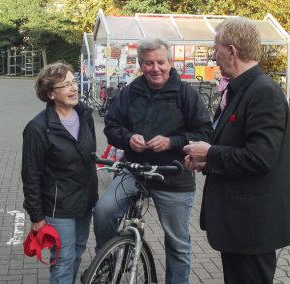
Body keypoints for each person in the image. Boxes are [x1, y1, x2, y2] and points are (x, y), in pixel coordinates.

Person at [93, 37, 213, 284]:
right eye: (148, 63)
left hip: (173, 174)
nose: (155, 68)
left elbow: (205, 133)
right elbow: (111, 126)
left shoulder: (185, 94)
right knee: (103, 211)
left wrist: (172, 142)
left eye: (160, 62)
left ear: (169, 62)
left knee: (177, 243)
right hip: (134, 170)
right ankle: (107, 262)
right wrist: (128, 138)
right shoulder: (130, 92)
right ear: (141, 64)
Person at [183, 17, 290, 284]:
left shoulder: (262, 92)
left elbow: (260, 158)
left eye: (215, 49)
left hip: (251, 227)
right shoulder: (242, 89)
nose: (213, 56)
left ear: (232, 50)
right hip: (239, 225)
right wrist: (205, 161)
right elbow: (234, 147)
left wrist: (210, 154)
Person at [21, 62, 98, 284]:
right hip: (58, 206)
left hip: (85, 201)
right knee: (63, 259)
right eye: (65, 85)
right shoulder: (38, 127)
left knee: (77, 251)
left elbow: (89, 157)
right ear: (50, 94)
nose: (74, 88)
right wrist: (36, 216)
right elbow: (31, 174)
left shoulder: (84, 115)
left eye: (74, 82)